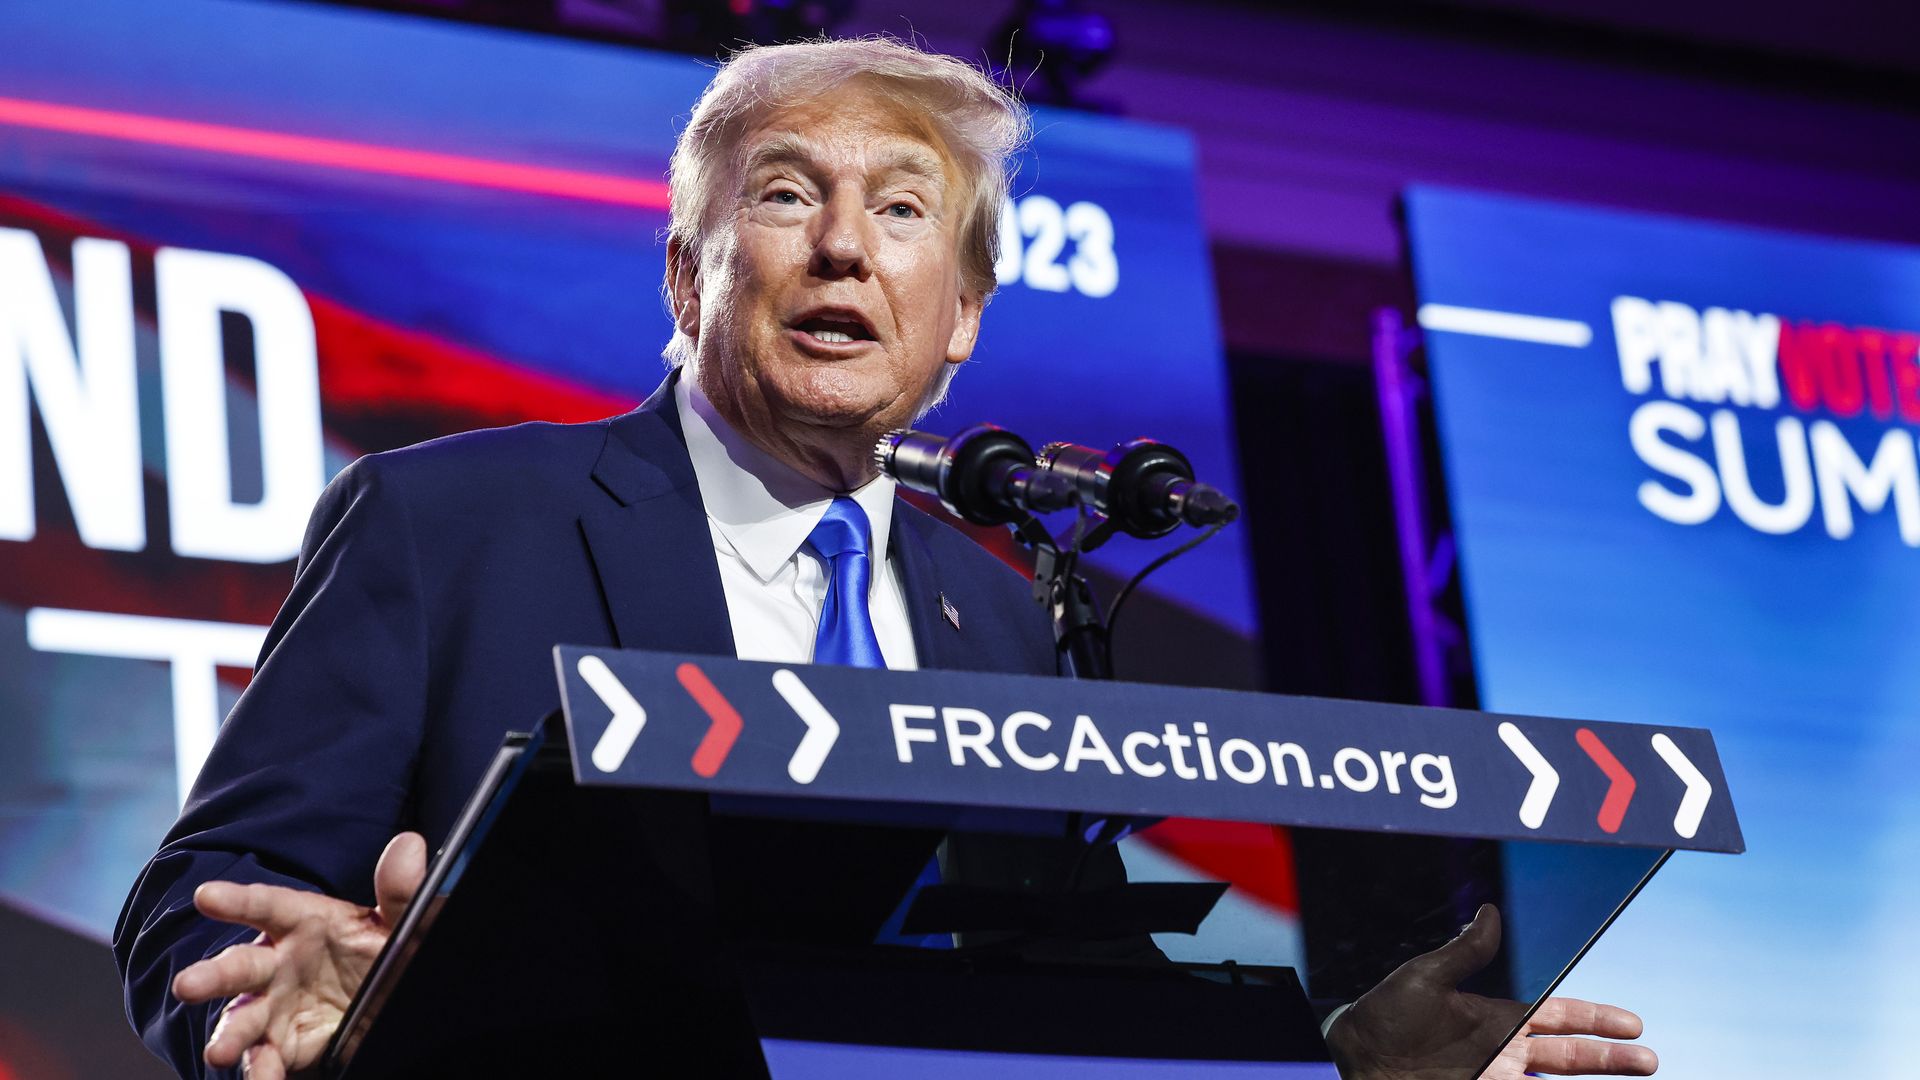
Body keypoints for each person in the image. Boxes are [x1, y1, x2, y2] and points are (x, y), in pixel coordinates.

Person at [114, 38, 1656, 1080]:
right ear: (687, 272)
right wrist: (300, 1009)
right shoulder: (451, 520)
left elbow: (1047, 1014)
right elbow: (196, 902)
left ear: (965, 314)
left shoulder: (1008, 615)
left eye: (902, 210)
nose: (845, 245)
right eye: (787, 195)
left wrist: (1340, 1058)